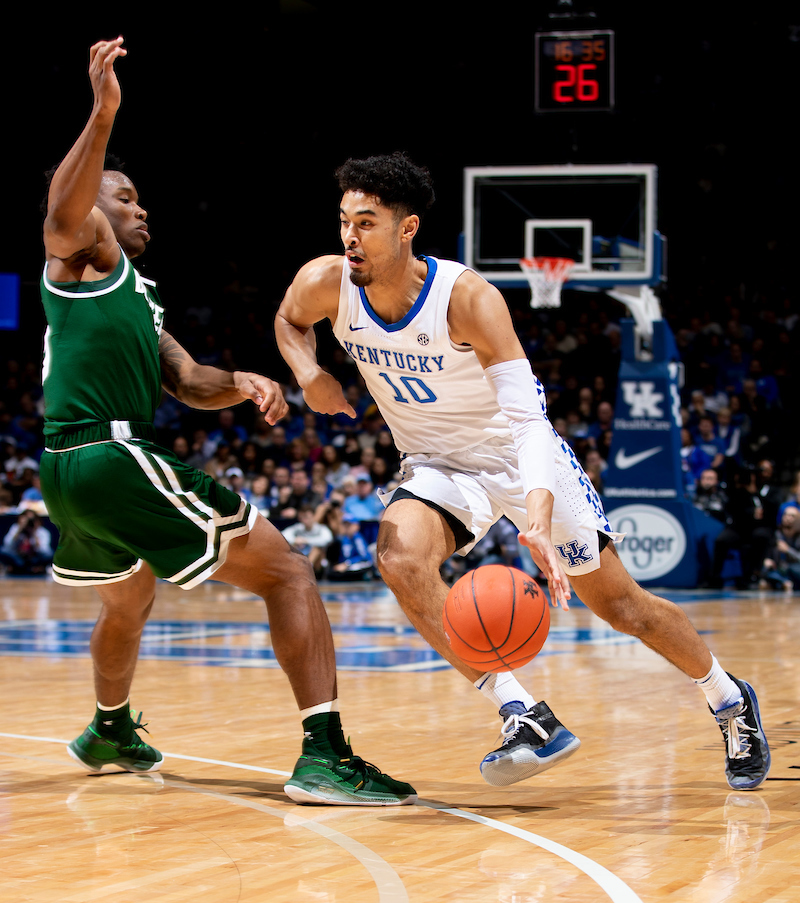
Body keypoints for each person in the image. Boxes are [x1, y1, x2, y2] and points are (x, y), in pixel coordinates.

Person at [274, 151, 770, 791]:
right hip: (436, 463)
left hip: (517, 456)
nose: (349, 237)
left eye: (366, 223)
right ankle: (523, 714)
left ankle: (729, 698)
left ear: (407, 228)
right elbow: (289, 321)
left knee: (623, 608)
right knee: (399, 561)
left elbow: (529, 421)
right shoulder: (327, 283)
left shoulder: (467, 298)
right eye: (344, 221)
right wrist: (308, 373)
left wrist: (535, 513)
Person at [38, 40, 414, 807]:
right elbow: (62, 210)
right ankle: (324, 757)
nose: (140, 208)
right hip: (108, 453)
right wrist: (103, 112)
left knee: (129, 596)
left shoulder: (132, 297)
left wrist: (242, 383)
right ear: (96, 213)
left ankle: (109, 727)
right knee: (287, 573)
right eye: (126, 197)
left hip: (67, 467)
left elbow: (186, 382)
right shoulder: (78, 252)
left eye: (139, 199)